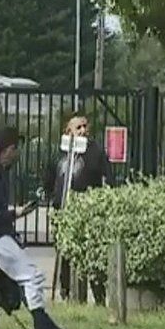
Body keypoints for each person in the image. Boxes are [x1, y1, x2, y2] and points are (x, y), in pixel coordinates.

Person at [0, 126, 82, 329]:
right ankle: (41, 324)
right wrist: (14, 214)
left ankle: (44, 323)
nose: (17, 153)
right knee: (32, 275)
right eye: (15, 149)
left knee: (29, 274)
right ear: (6, 149)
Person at [44, 113, 112, 302]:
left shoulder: (96, 151)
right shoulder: (59, 152)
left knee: (92, 254)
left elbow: (108, 177)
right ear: (68, 131)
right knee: (65, 253)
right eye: (78, 127)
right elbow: (49, 179)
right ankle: (66, 291)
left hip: (87, 211)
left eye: (84, 126)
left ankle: (98, 294)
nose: (83, 131)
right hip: (63, 211)